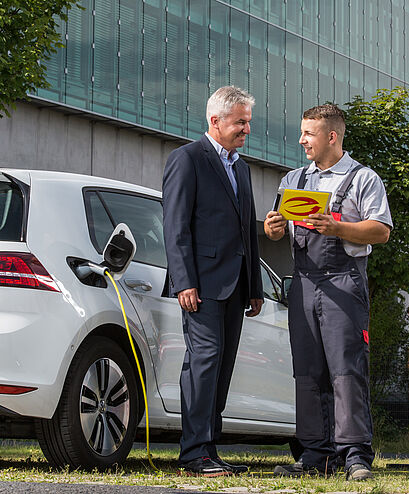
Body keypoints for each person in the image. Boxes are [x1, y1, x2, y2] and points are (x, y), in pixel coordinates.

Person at [264, 104, 392, 481]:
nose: (302, 140)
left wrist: (337, 228)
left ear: (331, 137)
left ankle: (355, 456)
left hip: (344, 280)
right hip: (303, 282)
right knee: (307, 372)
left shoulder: (363, 179)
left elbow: (381, 230)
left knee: (346, 369)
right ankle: (314, 455)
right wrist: (273, 228)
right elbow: (278, 231)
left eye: (308, 133)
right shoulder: (292, 179)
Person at [162, 86, 264, 477]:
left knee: (221, 368)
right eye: (240, 122)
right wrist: (184, 281)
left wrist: (254, 286)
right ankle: (193, 453)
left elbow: (246, 231)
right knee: (203, 363)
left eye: (248, 122)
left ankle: (209, 449)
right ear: (215, 121)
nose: (246, 129)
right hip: (201, 286)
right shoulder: (186, 159)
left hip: (236, 286)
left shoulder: (241, 167)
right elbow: (176, 226)